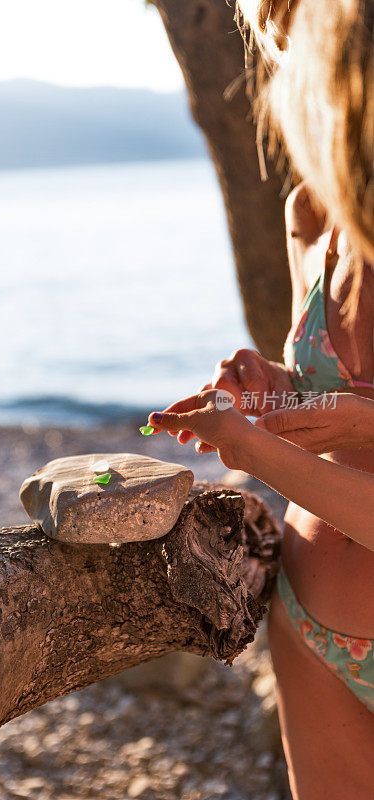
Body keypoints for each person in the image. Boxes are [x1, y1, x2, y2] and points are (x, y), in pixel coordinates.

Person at [146, 1, 374, 798]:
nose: (279, 33)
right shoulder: (313, 211)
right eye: (265, 14)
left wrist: (259, 451)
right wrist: (273, 391)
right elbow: (329, 395)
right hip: (310, 616)